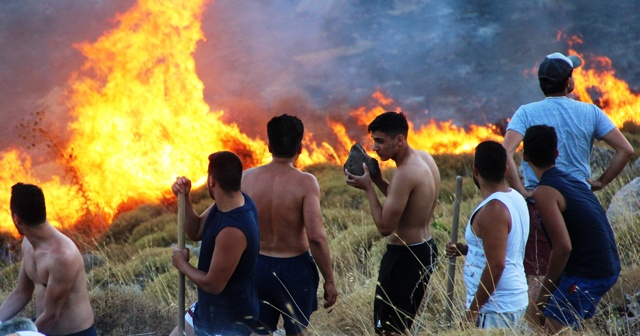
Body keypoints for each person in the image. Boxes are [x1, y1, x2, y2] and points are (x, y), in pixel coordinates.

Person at [502, 52, 633, 323]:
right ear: (569, 83)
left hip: (541, 203)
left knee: (541, 276)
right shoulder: (590, 111)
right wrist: (601, 182)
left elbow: (505, 153)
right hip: (581, 203)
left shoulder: (526, 112)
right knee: (576, 275)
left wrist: (522, 190)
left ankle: (540, 325)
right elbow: (625, 149)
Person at [241, 114, 337, 336]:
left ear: (269, 145)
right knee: (298, 331)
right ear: (300, 147)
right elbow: (316, 237)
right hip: (295, 270)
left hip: (257, 266)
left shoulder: (248, 178)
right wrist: (329, 280)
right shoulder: (306, 182)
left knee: (258, 331)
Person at [345, 111, 440, 335]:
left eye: (380, 141)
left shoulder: (405, 173)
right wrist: (378, 179)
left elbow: (385, 227)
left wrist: (368, 188)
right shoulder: (424, 158)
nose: (375, 148)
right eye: (373, 141)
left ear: (399, 140)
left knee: (388, 330)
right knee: (400, 326)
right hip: (425, 249)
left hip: (404, 259)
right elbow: (403, 201)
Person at [522, 125, 621, 332]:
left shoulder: (544, 191)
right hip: (608, 265)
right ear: (557, 154)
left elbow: (563, 247)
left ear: (525, 157)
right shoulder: (571, 181)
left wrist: (543, 297)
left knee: (550, 329)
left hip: (588, 273)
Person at [171, 151, 261, 336]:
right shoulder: (227, 204)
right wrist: (185, 197)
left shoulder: (233, 230)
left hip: (227, 323)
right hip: (208, 311)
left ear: (211, 181)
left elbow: (213, 284)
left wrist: (182, 264)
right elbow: (195, 231)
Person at [446, 141, 529, 330]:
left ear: (475, 171)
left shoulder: (493, 210)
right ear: (506, 169)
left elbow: (497, 264)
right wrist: (467, 249)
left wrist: (473, 311)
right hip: (510, 301)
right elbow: (505, 247)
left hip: (496, 309)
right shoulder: (515, 197)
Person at [0, 183, 97, 336]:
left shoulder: (62, 256)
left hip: (73, 333)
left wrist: (18, 335)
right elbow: (21, 293)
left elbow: (52, 316)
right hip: (41, 328)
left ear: (16, 219)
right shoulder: (28, 244)